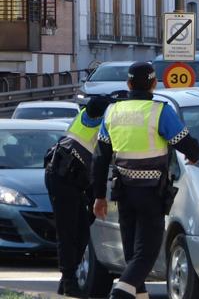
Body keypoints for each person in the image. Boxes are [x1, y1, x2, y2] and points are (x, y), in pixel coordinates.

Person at [92, 62, 199, 299]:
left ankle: (136, 294)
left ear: (128, 84)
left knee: (133, 254)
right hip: (151, 192)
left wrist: (99, 196)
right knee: (147, 252)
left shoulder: (112, 112)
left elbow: (100, 158)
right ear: (154, 84)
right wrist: (195, 155)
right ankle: (120, 294)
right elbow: (186, 144)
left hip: (122, 192)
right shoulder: (160, 111)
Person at [45, 96, 112, 297]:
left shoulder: (89, 113)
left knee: (83, 230)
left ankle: (67, 278)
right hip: (61, 176)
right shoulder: (93, 119)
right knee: (68, 231)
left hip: (79, 178)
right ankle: (69, 281)